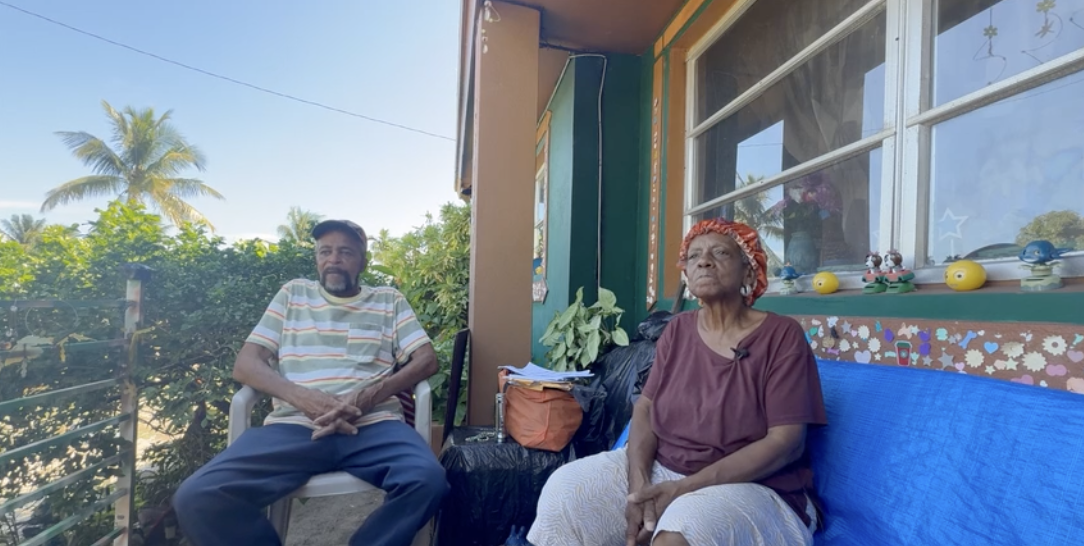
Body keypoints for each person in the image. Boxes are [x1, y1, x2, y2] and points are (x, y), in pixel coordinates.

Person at [527, 218, 828, 546]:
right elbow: (646, 408)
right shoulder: (678, 330)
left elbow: (786, 442)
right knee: (566, 491)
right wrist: (639, 488)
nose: (704, 261)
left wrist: (683, 489)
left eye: (720, 253)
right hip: (665, 468)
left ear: (749, 271)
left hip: (756, 486)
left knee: (683, 531)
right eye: (694, 255)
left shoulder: (781, 336)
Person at [174, 219, 448, 546]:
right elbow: (246, 364)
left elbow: (427, 360)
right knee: (198, 495)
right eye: (325, 251)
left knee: (428, 480)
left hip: (374, 425)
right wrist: (303, 398)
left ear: (362, 261)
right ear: (317, 258)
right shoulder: (292, 295)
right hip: (293, 427)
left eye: (345, 252)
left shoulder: (389, 300)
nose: (334, 259)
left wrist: (369, 396)